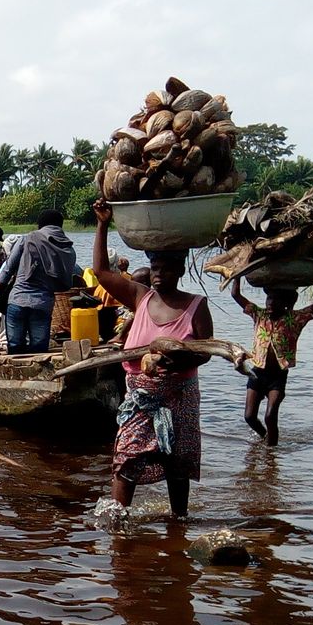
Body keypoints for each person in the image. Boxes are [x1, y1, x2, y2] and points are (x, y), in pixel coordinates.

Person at [89, 199, 214, 518]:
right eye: (156, 268)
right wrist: (103, 224)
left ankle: (179, 523)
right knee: (127, 457)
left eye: (167, 269)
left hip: (179, 397)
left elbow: (206, 352)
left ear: (180, 270)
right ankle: (116, 522)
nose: (159, 275)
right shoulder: (140, 298)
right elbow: (101, 272)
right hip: (140, 398)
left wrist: (177, 361)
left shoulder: (196, 306)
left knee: (178, 462)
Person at [232, 271, 313, 446]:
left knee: (270, 416)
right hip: (257, 373)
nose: (270, 304)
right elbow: (235, 295)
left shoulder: (294, 320)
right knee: (249, 417)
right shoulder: (259, 315)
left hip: (277, 376)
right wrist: (238, 274)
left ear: (285, 304)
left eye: (275, 301)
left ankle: (271, 456)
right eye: (268, 300)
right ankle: (264, 439)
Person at [0, 209, 80, 354]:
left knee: (15, 349)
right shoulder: (68, 249)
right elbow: (68, 281)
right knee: (39, 350)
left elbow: (7, 270)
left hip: (17, 300)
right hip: (43, 304)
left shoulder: (27, 239)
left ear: (40, 225)